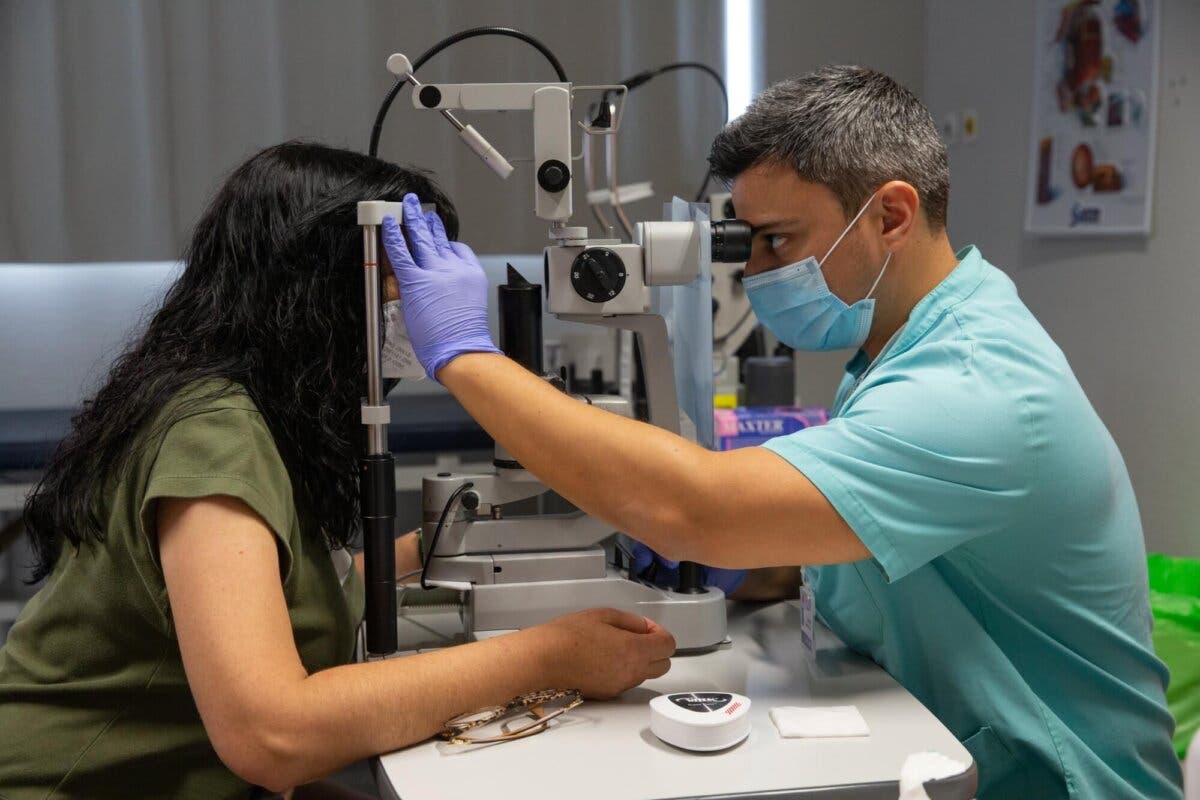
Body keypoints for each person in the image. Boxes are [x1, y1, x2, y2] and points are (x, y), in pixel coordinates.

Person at [381, 67, 1184, 799]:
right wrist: (760, 574)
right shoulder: (907, 342)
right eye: (748, 242)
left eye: (777, 241)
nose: (757, 272)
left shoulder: (977, 387)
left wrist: (465, 356)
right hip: (957, 752)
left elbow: (701, 506)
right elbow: (895, 547)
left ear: (891, 216)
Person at [0, 142, 674, 799]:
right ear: (319, 289)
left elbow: (285, 586)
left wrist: (425, 552)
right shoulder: (211, 430)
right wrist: (551, 655)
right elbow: (273, 736)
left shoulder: (257, 413)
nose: (414, 311)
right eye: (402, 282)